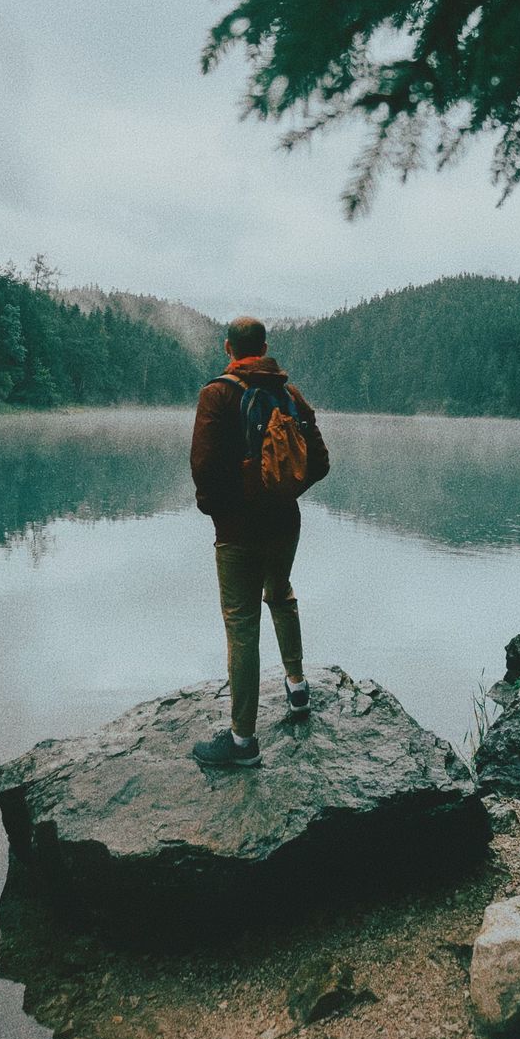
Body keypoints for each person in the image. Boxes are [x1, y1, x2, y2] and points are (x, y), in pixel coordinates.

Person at [190, 316, 330, 767]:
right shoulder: (289, 395)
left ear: (227, 348)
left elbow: (204, 468)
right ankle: (297, 689)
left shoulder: (218, 393)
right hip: (285, 524)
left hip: (237, 532)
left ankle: (243, 742)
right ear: (264, 346)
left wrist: (220, 510)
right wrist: (284, 492)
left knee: (242, 625)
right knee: (281, 594)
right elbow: (320, 462)